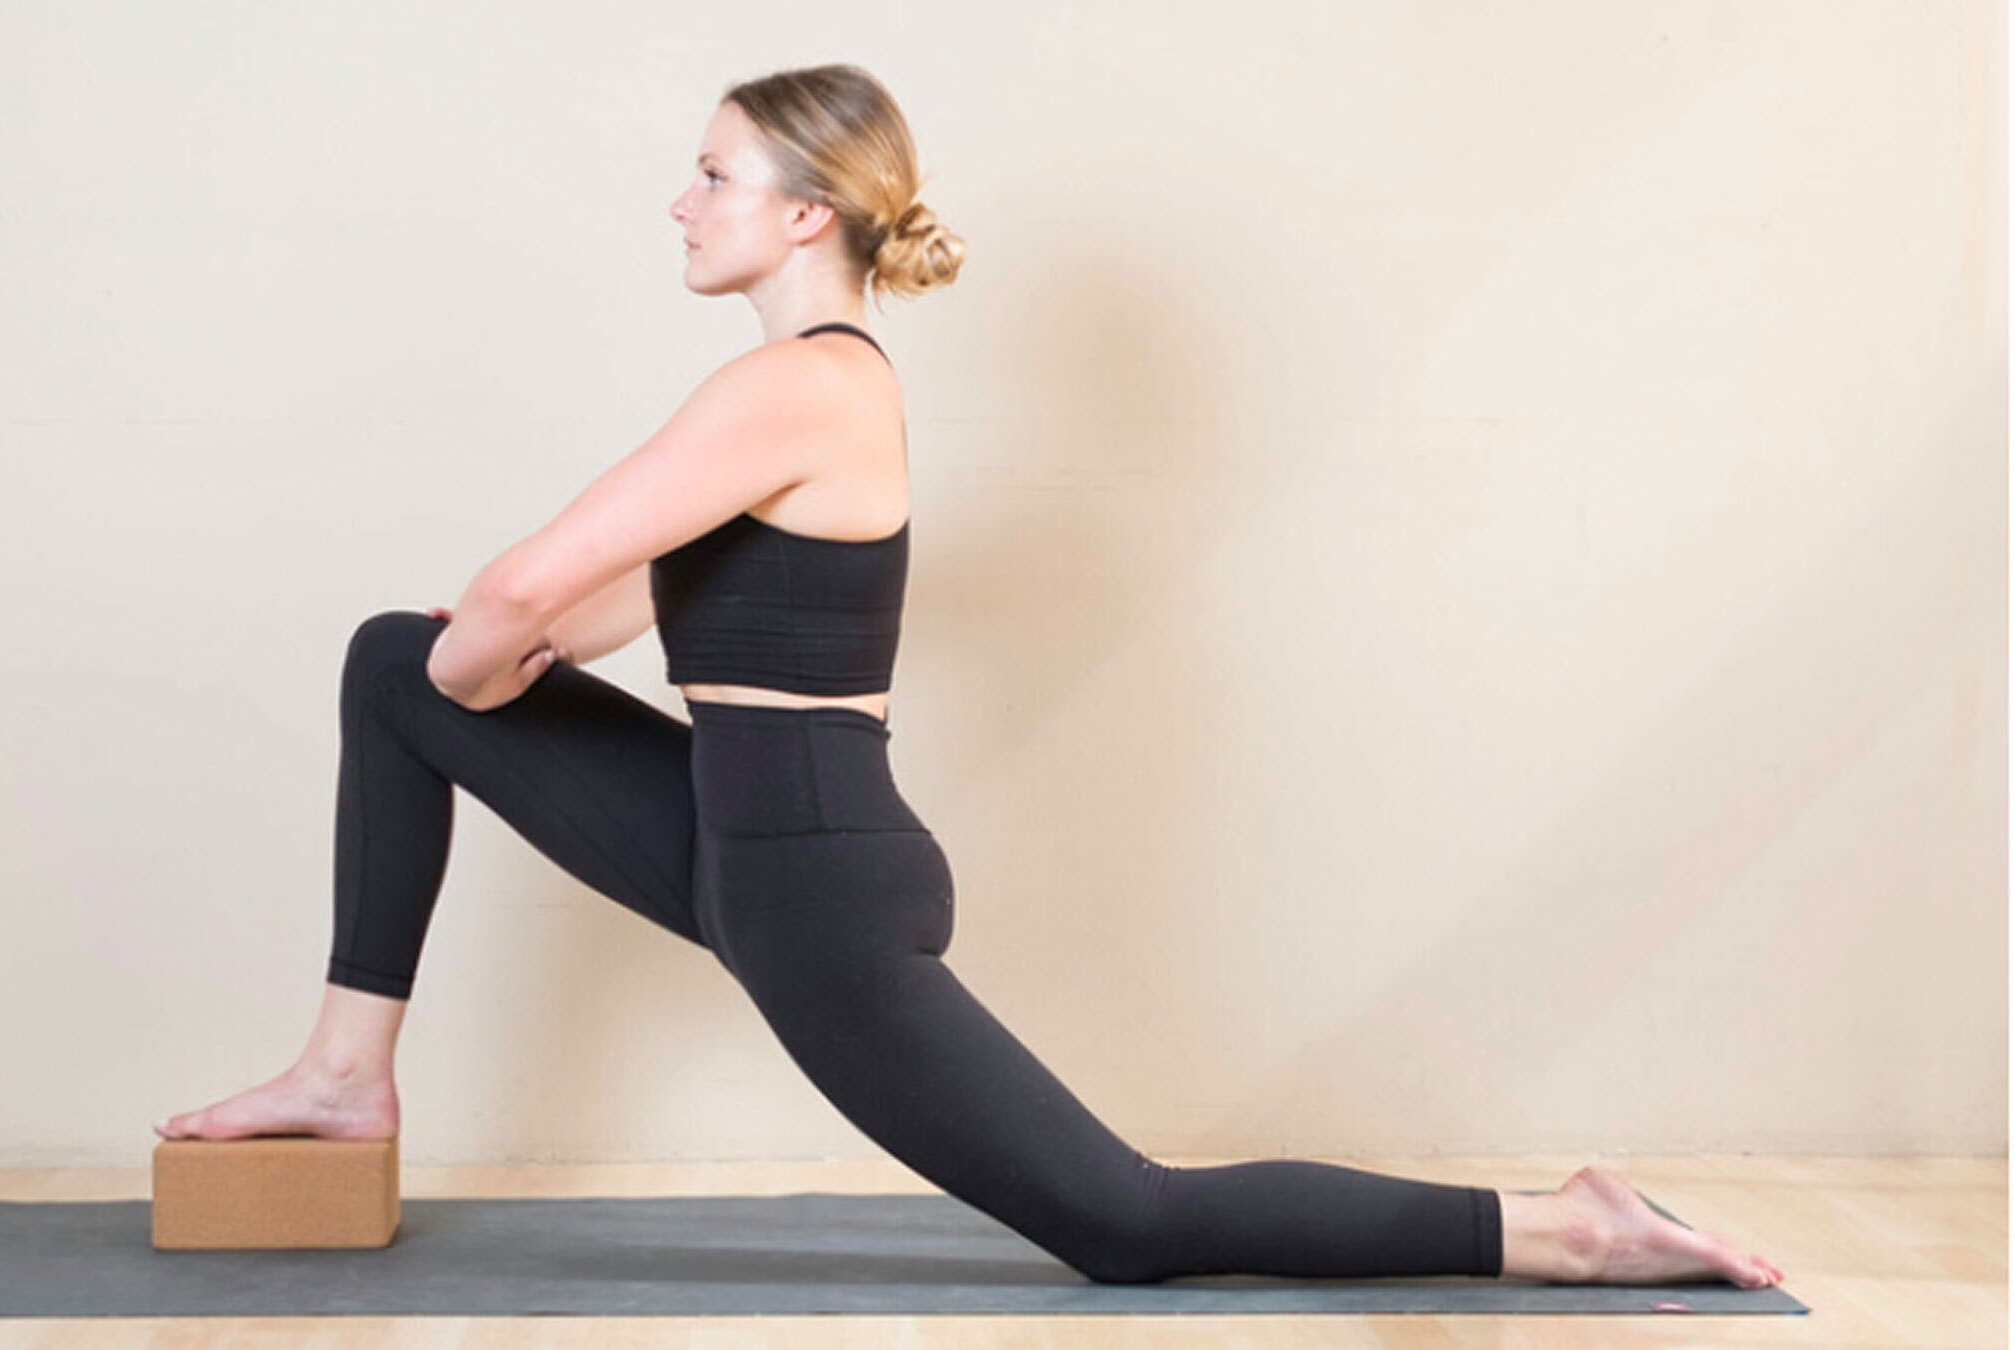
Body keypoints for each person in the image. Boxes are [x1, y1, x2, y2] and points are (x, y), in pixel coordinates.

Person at [154, 63, 1784, 1290]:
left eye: (711, 174)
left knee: (1126, 1222)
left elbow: (513, 599)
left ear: (806, 213)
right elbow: (561, 633)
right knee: (389, 667)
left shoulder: (797, 387)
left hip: (812, 883)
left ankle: (1572, 1231)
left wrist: (482, 645)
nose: (680, 200)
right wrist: (478, 657)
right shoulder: (786, 410)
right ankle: (346, 1070)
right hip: (744, 843)